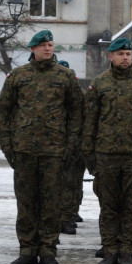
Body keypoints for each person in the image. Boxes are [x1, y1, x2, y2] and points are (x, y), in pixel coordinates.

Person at [0, 30, 84, 264]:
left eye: (50, 44)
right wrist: (7, 145)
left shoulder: (65, 76)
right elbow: (4, 112)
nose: (48, 48)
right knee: (26, 202)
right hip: (24, 150)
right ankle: (27, 250)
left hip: (54, 151)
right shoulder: (17, 76)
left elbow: (77, 113)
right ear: (33, 49)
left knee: (51, 203)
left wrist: (71, 145)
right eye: (43, 45)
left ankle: (48, 249)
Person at [83, 37, 132, 264]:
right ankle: (110, 251)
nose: (125, 58)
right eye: (121, 54)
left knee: (131, 206)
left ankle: (127, 251)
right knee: (108, 206)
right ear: (111, 56)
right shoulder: (99, 84)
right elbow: (90, 122)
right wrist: (89, 156)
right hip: (105, 155)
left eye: (128, 54)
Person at [57, 60, 86, 235]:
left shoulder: (80, 94)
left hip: (76, 146)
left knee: (73, 183)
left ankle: (69, 214)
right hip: (55, 145)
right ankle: (59, 217)